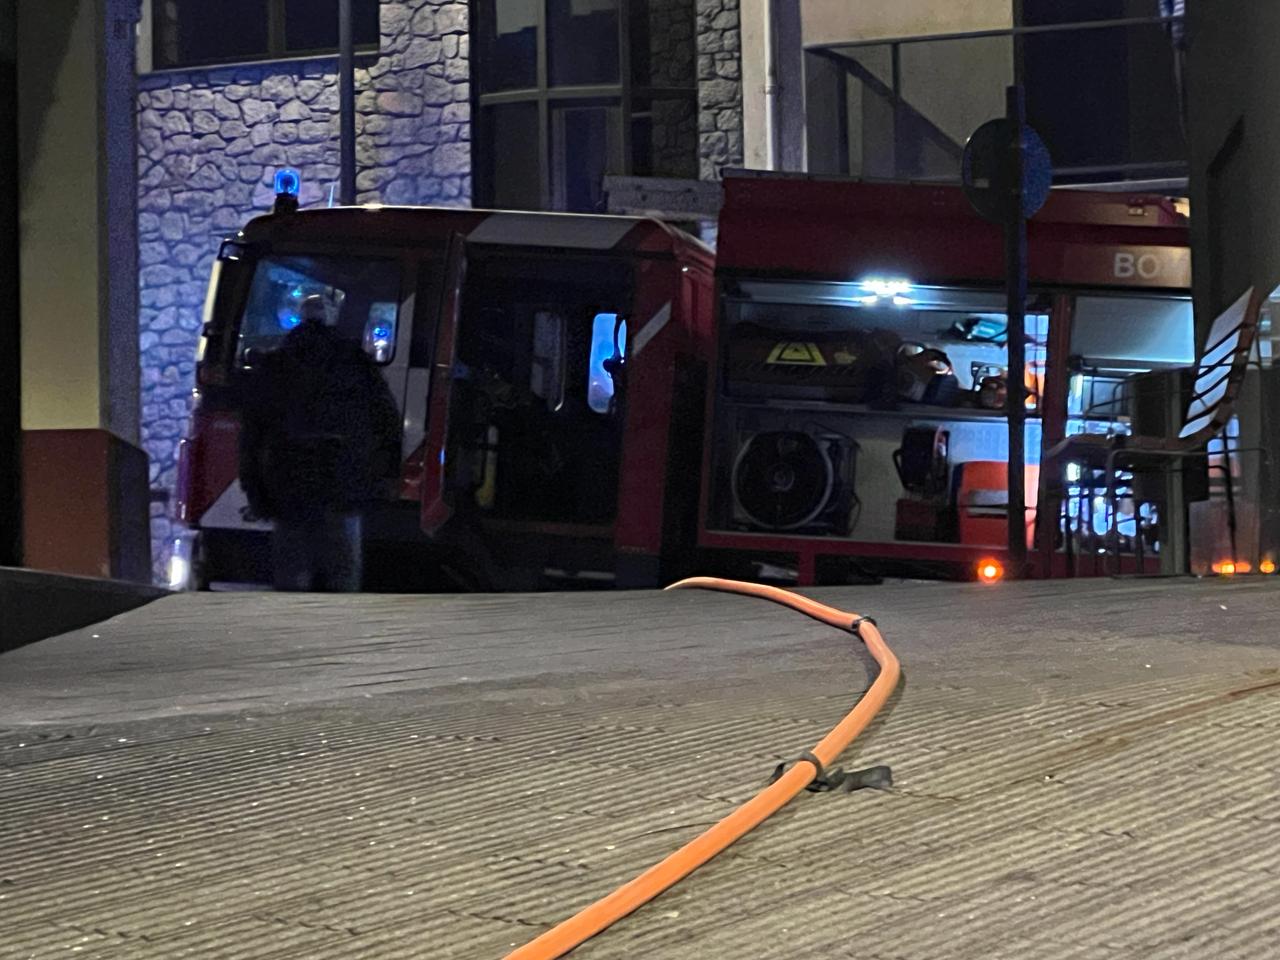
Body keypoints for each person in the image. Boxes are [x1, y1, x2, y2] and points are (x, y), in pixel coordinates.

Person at [239, 294, 402, 591]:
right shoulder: (356, 364)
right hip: (344, 482)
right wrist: (382, 478)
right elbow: (387, 423)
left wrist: (257, 493)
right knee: (342, 575)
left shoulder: (276, 365)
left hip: (289, 484)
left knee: (292, 576)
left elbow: (251, 435)